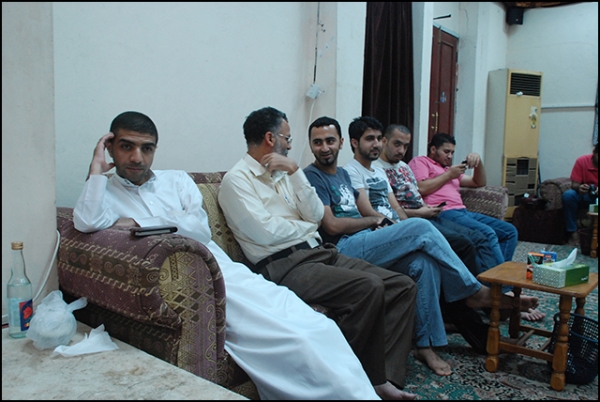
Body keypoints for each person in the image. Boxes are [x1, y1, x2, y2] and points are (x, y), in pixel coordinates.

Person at [72, 111, 386, 400]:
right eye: (126, 146)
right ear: (110, 147)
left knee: (318, 326)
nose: (137, 157)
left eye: (147, 148)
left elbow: (198, 229)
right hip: (197, 283)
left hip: (227, 269)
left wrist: (137, 223)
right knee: (297, 339)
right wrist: (96, 172)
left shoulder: (176, 180)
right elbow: (85, 222)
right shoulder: (104, 192)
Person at [304, 116, 539, 375]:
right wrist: (376, 222)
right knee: (421, 228)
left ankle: (425, 346)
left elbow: (369, 209)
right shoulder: (312, 176)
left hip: (368, 238)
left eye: (329, 141)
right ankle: (474, 292)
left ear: (340, 143)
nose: (324, 147)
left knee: (424, 264)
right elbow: (332, 226)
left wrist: (388, 227)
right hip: (343, 248)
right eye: (317, 142)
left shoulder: (343, 175)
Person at [217, 106, 418, 400]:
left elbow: (314, 215)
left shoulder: (286, 172)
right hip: (284, 265)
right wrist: (306, 227)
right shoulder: (237, 181)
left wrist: (295, 172)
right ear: (271, 139)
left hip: (320, 251)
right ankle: (341, 382)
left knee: (402, 286)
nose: (290, 145)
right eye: (287, 138)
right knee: (368, 287)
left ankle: (380, 378)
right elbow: (265, 233)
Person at [375, 124, 545, 322]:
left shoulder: (416, 168)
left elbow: (478, 182)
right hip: (441, 214)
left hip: (453, 212)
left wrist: (478, 162)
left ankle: (494, 286)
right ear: (433, 150)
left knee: (509, 231)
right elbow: (417, 191)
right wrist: (444, 181)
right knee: (482, 236)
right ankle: (500, 293)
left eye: (452, 153)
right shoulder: (419, 163)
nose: (449, 156)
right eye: (446, 151)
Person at [563, 142, 598, 246]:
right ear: (594, 153)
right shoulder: (582, 161)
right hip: (585, 195)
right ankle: (573, 233)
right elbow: (574, 184)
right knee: (568, 196)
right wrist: (580, 188)